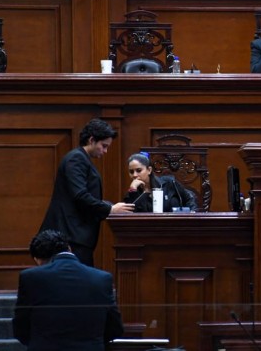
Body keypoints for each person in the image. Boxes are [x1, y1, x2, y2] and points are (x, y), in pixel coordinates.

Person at [39, 118, 134, 267]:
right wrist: (110, 209)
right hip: (70, 236)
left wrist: (111, 206)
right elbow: (80, 196)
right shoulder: (76, 159)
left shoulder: (81, 158)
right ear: (91, 140)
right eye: (103, 146)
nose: (105, 151)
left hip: (74, 235)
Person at [13, 229, 124, 350]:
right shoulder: (102, 278)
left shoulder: (30, 277)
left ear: (38, 260)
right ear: (69, 248)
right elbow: (115, 327)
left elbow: (20, 327)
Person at [124, 152, 197, 212]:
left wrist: (192, 215)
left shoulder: (169, 183)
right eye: (131, 172)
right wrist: (133, 191)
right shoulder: (131, 193)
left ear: (149, 170)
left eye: (139, 170)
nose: (134, 175)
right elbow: (132, 215)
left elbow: (189, 198)